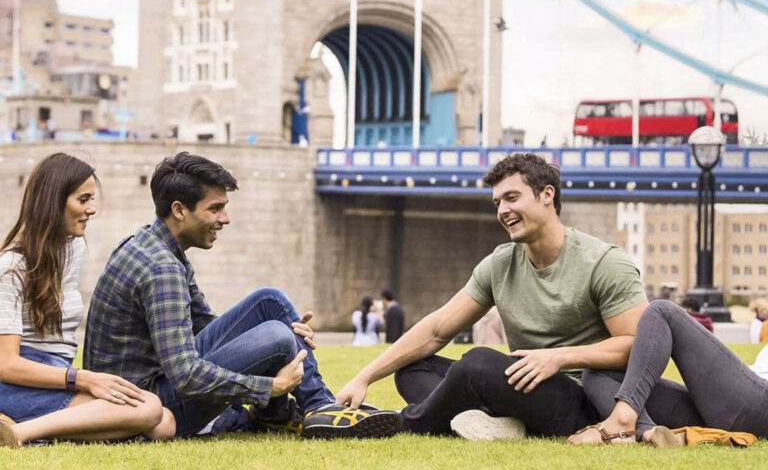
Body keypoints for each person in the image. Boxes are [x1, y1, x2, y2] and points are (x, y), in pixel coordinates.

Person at [314, 153, 647, 439]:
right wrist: (364, 377)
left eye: (512, 198)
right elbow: (436, 330)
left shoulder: (603, 261)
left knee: (478, 363)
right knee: (414, 368)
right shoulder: (500, 263)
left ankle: (406, 423)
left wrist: (558, 358)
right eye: (497, 202)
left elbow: (637, 346)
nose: (502, 210)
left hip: (580, 398)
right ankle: (496, 424)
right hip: (520, 387)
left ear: (547, 194)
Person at [84, 152, 394, 439]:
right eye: (215, 208)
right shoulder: (161, 268)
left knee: (270, 302)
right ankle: (312, 408)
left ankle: (307, 408)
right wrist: (269, 386)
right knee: (276, 336)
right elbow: (186, 374)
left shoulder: (151, 244)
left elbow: (210, 329)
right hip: (144, 405)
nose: (226, 219)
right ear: (179, 210)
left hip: (147, 388)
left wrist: (286, 334)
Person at [0, 153, 175, 447]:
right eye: (83, 200)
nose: (92, 209)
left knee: (164, 422)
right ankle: (18, 435)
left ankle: (15, 423)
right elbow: (6, 364)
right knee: (150, 410)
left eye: (92, 199)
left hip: (56, 372)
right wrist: (83, 379)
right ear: (54, 202)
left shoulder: (73, 248)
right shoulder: (12, 267)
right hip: (18, 380)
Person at [567, 300, 768, 446]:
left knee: (662, 312)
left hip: (757, 404)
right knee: (597, 370)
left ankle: (623, 420)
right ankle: (647, 433)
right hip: (734, 405)